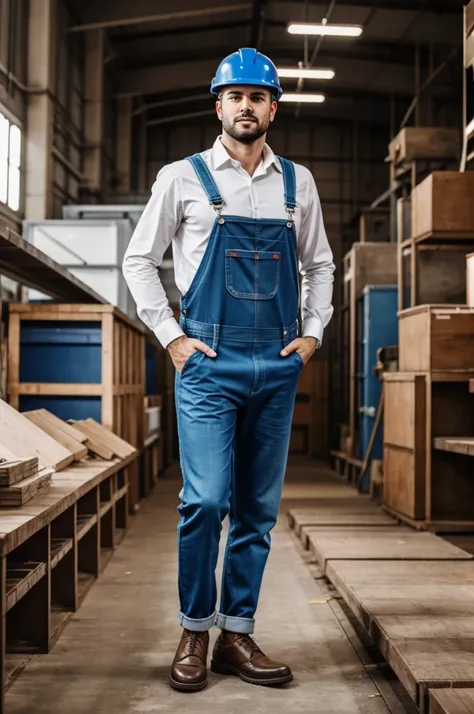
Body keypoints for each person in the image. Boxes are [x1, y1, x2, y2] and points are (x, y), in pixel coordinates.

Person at [122, 47, 335, 692]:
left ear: (273, 107)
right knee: (206, 500)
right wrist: (173, 338)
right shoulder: (181, 178)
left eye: (259, 96)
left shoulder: (296, 184)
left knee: (256, 509)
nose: (247, 105)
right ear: (218, 105)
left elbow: (321, 265)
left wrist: (312, 335)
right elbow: (140, 261)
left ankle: (235, 636)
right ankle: (194, 627)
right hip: (207, 363)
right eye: (235, 95)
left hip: (275, 362)